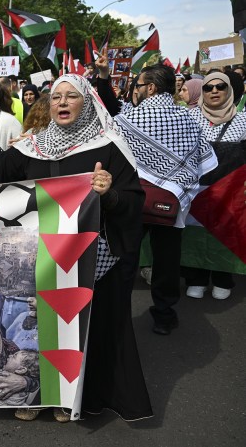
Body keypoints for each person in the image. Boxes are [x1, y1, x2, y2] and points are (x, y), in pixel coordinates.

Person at [0, 73, 153, 421]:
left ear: (88, 104)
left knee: (76, 328)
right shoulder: (31, 146)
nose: (62, 102)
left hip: (89, 260)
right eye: (55, 97)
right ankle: (39, 396)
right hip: (39, 259)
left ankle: (70, 398)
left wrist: (108, 193)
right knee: (40, 327)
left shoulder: (109, 147)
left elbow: (132, 199)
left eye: (71, 96)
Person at [109, 65, 217, 336]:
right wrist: (174, 182)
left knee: (126, 258)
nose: (137, 90)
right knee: (167, 261)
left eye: (140, 85)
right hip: (173, 203)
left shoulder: (130, 118)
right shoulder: (189, 117)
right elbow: (202, 163)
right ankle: (164, 316)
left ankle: (117, 314)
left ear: (152, 88)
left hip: (136, 202)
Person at [182, 72, 246, 300]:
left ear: (229, 91)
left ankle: (222, 279)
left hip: (230, 191)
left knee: (225, 234)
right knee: (194, 236)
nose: (214, 91)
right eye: (208, 88)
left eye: (220, 86)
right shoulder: (187, 117)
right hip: (195, 191)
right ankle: (196, 279)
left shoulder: (243, 120)